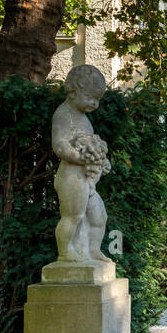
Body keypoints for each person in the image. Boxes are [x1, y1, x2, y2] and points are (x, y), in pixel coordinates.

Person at [52, 64, 113, 263]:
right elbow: (60, 145)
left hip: (86, 178)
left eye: (98, 100)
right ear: (73, 91)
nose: (94, 104)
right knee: (74, 215)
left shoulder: (83, 117)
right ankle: (65, 253)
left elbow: (90, 144)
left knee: (99, 217)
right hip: (71, 175)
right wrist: (81, 158)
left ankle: (92, 250)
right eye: (90, 98)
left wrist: (101, 160)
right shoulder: (63, 114)